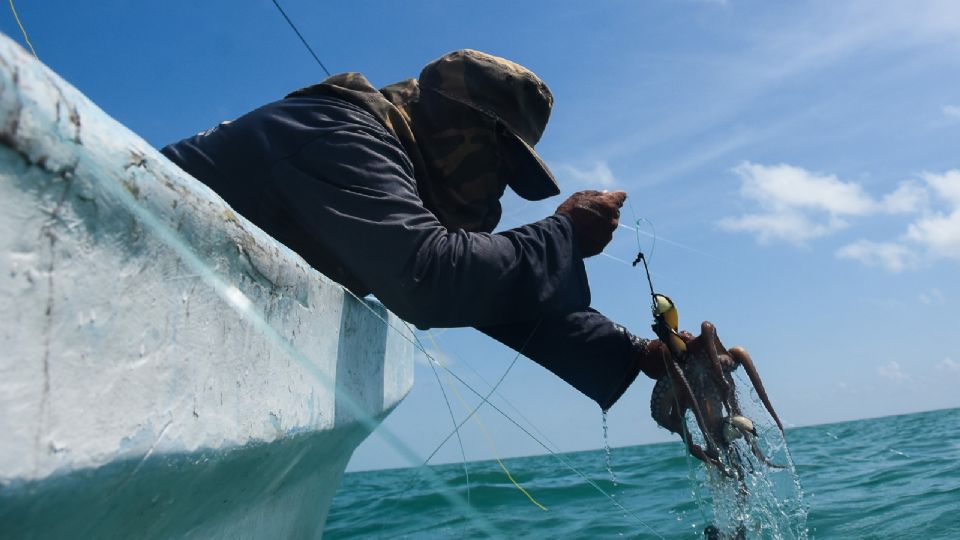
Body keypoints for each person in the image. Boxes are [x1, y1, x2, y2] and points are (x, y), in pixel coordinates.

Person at [161, 49, 666, 411]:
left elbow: (489, 297)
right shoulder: (337, 133)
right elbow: (430, 278)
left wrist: (641, 356)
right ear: (457, 128)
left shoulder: (384, 172)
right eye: (500, 167)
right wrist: (565, 235)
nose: (498, 194)